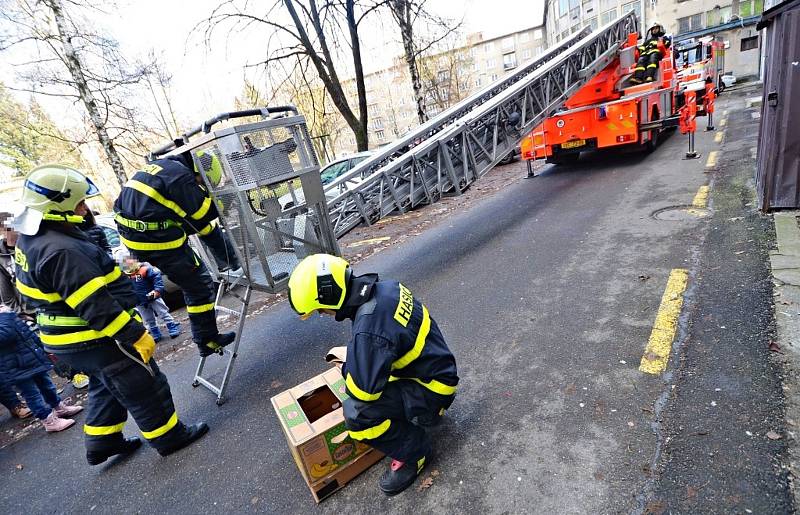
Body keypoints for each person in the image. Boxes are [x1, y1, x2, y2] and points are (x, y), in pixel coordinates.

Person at [13, 164, 208, 464]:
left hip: (66, 340)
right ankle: (170, 438)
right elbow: (96, 306)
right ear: (56, 206)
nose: (84, 208)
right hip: (94, 337)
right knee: (143, 384)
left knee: (106, 385)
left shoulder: (35, 236)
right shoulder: (61, 249)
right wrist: (134, 335)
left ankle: (102, 443)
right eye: (78, 203)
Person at [287, 254, 459, 496]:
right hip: (437, 370)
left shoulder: (368, 329)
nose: (323, 314)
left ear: (328, 296)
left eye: (319, 309)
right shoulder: (385, 289)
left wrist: (347, 367)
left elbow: (364, 392)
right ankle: (421, 413)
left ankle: (415, 452)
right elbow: (387, 340)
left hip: (433, 390)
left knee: (358, 415)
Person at [113, 149, 238, 357]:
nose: (199, 188)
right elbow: (204, 213)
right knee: (199, 284)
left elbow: (200, 225)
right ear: (200, 172)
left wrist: (232, 259)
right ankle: (206, 340)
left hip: (134, 238)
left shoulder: (164, 168)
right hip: (157, 241)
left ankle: (232, 259)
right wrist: (228, 197)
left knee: (202, 229)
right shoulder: (181, 177)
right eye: (201, 184)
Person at [0, 306, 83, 431]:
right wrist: (6, 316)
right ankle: (48, 421)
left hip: (32, 358)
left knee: (47, 385)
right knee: (32, 395)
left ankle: (59, 408)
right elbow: (5, 335)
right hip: (15, 367)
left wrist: (42, 348)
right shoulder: (6, 315)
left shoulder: (6, 314)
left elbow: (27, 333)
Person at [120, 256, 181, 342]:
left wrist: (157, 290)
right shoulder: (125, 276)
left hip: (152, 295)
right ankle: (155, 332)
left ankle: (172, 326)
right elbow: (125, 289)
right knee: (148, 319)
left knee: (163, 312)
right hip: (139, 301)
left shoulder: (144, 270)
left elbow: (156, 279)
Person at [0, 212, 35, 322]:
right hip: (26, 313)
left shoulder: (32, 245)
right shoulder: (1, 257)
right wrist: (20, 313)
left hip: (48, 306)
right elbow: (6, 294)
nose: (9, 233)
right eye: (6, 230)